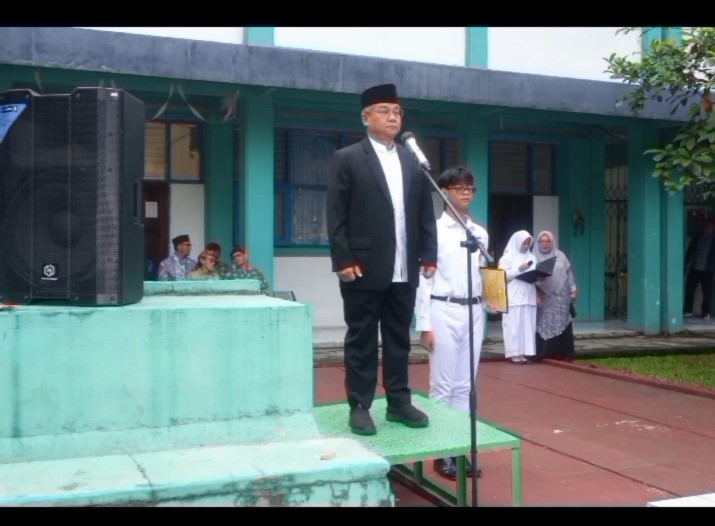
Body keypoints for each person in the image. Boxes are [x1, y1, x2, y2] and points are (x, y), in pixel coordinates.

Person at [326, 82, 438, 437]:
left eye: (397, 112)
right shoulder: (347, 158)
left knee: (398, 338)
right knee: (361, 338)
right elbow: (335, 213)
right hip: (361, 265)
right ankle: (360, 405)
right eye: (385, 111)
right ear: (366, 117)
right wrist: (342, 258)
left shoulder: (412, 160)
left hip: (404, 264)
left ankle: (398, 402)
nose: (393, 117)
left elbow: (424, 211)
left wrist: (429, 253)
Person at [414, 166, 489, 480]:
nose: (466, 193)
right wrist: (424, 324)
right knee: (442, 386)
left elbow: (483, 274)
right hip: (442, 308)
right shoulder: (433, 231)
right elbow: (424, 280)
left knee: (465, 386)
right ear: (444, 192)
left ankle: (459, 449)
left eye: (470, 188)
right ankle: (441, 452)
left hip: (474, 311)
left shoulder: (479, 233)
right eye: (459, 188)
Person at [533, 231, 578, 362]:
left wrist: (573, 289)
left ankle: (562, 353)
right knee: (544, 322)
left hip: (560, 295)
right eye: (541, 241)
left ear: (552, 242)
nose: (544, 244)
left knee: (561, 321)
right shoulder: (532, 257)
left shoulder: (560, 255)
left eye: (547, 241)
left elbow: (568, 273)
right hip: (543, 294)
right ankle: (544, 352)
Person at [498, 230, 538, 364]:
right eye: (524, 243)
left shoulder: (532, 257)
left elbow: (534, 274)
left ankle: (524, 353)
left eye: (528, 243)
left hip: (529, 296)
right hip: (514, 298)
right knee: (513, 326)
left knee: (527, 327)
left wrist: (539, 277)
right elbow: (502, 277)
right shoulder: (506, 258)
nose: (526, 246)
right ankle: (514, 354)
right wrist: (519, 270)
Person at [684, 218, 715, 319]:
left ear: (713, 227)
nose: (707, 227)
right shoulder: (697, 237)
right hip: (695, 268)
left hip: (708, 270)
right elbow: (690, 251)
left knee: (707, 292)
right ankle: (688, 310)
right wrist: (685, 263)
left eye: (710, 226)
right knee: (689, 289)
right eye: (706, 225)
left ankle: (705, 312)